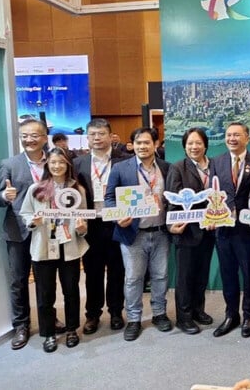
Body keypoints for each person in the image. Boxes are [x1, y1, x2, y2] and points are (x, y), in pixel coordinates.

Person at [0, 118, 65, 349]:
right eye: (24, 135)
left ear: (44, 137)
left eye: (34, 135)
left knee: (46, 281)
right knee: (19, 280)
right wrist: (5, 196)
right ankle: (21, 325)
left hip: (48, 230)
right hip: (19, 231)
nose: (29, 140)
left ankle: (48, 319)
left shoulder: (55, 161)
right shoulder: (9, 164)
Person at [104, 127, 172, 341]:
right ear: (132, 145)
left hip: (161, 232)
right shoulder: (120, 168)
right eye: (138, 143)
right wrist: (117, 217)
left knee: (161, 276)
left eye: (147, 142)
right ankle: (134, 319)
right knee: (133, 278)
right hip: (132, 234)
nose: (142, 146)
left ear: (156, 144)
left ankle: (159, 313)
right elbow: (109, 198)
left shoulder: (166, 167)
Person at [19, 147, 89, 353]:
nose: (57, 166)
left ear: (68, 164)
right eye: (53, 162)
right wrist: (32, 221)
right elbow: (25, 213)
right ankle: (48, 333)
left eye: (61, 162)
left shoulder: (77, 190)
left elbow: (83, 218)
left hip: (69, 246)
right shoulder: (36, 189)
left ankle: (72, 329)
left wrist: (82, 228)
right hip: (43, 246)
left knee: (71, 290)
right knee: (45, 293)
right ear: (47, 165)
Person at [210, 122, 250, 338]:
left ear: (247, 138)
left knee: (249, 273)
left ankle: (249, 316)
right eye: (229, 135)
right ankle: (231, 314)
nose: (232, 139)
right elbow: (213, 192)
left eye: (237, 135)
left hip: (247, 229)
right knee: (228, 273)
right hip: (223, 228)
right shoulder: (217, 161)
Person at [74, 118, 129, 335]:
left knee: (117, 270)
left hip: (116, 222)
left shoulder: (124, 161)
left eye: (101, 134)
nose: (97, 138)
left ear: (111, 136)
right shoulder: (77, 163)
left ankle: (116, 312)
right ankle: (93, 314)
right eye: (92, 134)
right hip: (91, 225)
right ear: (87, 138)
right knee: (92, 271)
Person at [165, 128, 215, 334]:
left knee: (202, 274)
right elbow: (172, 200)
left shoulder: (214, 166)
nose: (194, 147)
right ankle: (184, 317)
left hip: (209, 230)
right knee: (185, 277)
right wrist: (171, 226)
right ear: (184, 147)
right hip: (186, 230)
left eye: (198, 143)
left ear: (205, 145)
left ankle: (198, 310)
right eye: (190, 144)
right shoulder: (178, 167)